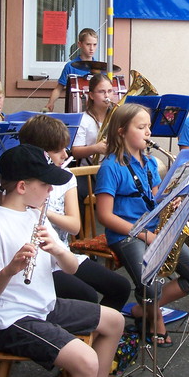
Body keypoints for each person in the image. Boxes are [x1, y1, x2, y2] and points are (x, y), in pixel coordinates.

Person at [0, 144, 124, 377]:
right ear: (22, 187)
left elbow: (71, 268)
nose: (51, 189)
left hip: (44, 306)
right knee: (87, 361)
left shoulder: (35, 215)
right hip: (11, 320)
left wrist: (58, 250)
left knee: (115, 321)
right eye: (45, 184)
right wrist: (10, 270)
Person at [95, 103, 189, 348]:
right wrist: (143, 235)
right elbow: (104, 216)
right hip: (126, 233)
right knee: (148, 281)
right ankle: (154, 320)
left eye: (148, 126)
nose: (148, 132)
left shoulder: (149, 163)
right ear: (121, 131)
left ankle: (145, 309)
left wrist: (171, 199)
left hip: (153, 229)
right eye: (141, 127)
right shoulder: (110, 166)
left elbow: (156, 198)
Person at [18, 114, 131, 311]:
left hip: (63, 255)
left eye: (65, 148)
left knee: (120, 287)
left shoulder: (66, 177)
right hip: (37, 262)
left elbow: (74, 227)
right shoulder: (21, 184)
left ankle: (98, 328)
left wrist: (46, 212)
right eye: (57, 150)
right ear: (37, 153)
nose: (65, 154)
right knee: (86, 296)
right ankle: (75, 326)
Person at [46, 28, 98, 112]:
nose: (92, 48)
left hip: (95, 108)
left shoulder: (100, 68)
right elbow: (59, 88)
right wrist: (50, 103)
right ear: (79, 44)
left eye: (94, 44)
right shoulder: (70, 66)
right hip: (75, 107)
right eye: (88, 44)